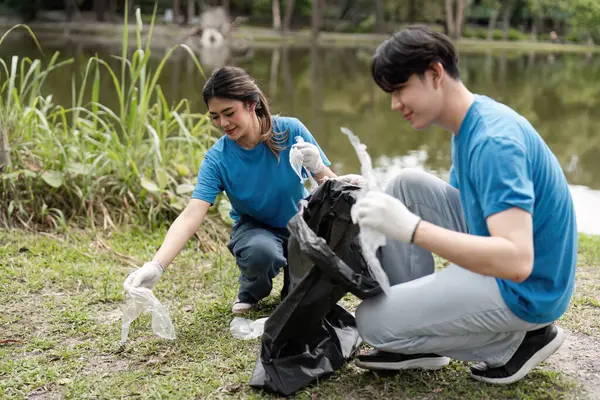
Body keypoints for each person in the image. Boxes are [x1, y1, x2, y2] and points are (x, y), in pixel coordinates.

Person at [351, 26, 577, 385]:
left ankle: (516, 343)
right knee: (404, 184)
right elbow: (472, 218)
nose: (395, 104)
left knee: (371, 323)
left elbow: (517, 261)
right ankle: (419, 341)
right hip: (512, 264)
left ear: (435, 73)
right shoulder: (471, 122)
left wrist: (412, 230)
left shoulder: (492, 141)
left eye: (399, 89)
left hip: (528, 288)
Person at [123, 66, 362, 315]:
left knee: (299, 300)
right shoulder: (217, 159)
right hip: (256, 229)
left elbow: (333, 190)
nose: (223, 123)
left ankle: (295, 283)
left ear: (251, 104)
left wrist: (319, 167)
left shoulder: (291, 131)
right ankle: (251, 291)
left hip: (302, 225)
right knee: (261, 252)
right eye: (215, 116)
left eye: (229, 113)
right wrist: (157, 266)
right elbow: (191, 215)